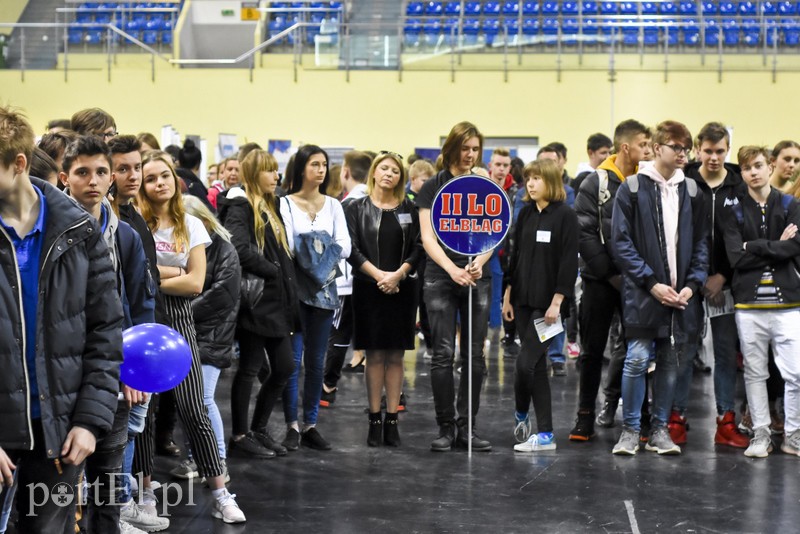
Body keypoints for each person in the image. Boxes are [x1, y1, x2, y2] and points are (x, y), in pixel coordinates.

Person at [0, 105, 124, 534]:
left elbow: (106, 335)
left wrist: (90, 421)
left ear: (18, 164)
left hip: (60, 432)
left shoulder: (80, 234)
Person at [137, 150, 245, 523]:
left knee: (195, 409)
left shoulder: (192, 225)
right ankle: (145, 493)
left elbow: (196, 282)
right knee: (144, 414)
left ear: (175, 180)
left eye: (164, 175)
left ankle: (220, 492)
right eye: (151, 178)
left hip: (181, 324)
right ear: (142, 185)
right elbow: (138, 280)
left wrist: (155, 274)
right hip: (144, 324)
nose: (159, 183)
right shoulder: (136, 223)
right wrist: (172, 273)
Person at [60, 135, 160, 534]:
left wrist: (135, 371)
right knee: (62, 483)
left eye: (102, 172)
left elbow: (141, 307)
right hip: (65, 373)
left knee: (108, 478)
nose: (94, 181)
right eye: (83, 172)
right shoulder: (51, 232)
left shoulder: (126, 237)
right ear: (65, 177)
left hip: (113, 373)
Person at [610, 120, 708, 456]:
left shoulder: (692, 191)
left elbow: (700, 245)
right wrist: (652, 283)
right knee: (636, 359)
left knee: (670, 361)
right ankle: (630, 430)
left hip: (680, 296)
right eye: (676, 147)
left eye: (686, 148)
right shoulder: (633, 188)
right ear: (657, 148)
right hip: (642, 293)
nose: (683, 154)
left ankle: (660, 430)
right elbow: (621, 244)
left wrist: (693, 285)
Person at [569, 119, 651, 441]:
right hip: (600, 282)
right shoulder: (595, 183)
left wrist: (640, 277)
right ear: (627, 147)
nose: (649, 150)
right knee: (592, 350)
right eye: (644, 145)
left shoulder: (649, 181)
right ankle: (585, 415)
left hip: (640, 282)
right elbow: (585, 234)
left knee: (640, 351)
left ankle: (640, 418)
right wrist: (612, 275)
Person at [669, 122, 749, 448]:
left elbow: (746, 237)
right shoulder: (683, 181)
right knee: (684, 351)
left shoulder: (738, 184)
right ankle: (675, 417)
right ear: (698, 150)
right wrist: (694, 278)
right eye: (708, 151)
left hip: (725, 285)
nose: (714, 157)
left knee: (726, 354)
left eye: (720, 151)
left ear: (727, 150)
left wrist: (724, 276)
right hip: (689, 283)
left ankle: (725, 420)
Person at [416, 121, 493, 452]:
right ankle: (446, 426)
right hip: (440, 275)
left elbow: (495, 229)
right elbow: (427, 236)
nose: (471, 155)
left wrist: (480, 262)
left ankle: (468, 427)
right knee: (443, 354)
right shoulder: (432, 186)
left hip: (476, 274)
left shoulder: (484, 182)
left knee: (475, 355)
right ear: (452, 148)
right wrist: (452, 269)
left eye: (475, 149)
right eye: (465, 148)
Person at [721, 145, 800, 458]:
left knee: (795, 374)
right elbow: (735, 260)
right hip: (749, 307)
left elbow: (795, 247)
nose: (752, 173)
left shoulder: (791, 204)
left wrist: (753, 245)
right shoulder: (733, 210)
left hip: (789, 305)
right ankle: (761, 435)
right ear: (741, 173)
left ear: (769, 167)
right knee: (754, 373)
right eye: (746, 168)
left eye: (757, 166)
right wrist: (775, 246)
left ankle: (793, 435)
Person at [219, 149, 299, 458]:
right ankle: (241, 435)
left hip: (275, 302)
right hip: (256, 302)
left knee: (283, 368)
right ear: (254, 175)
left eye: (276, 170)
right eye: (269, 171)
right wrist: (272, 270)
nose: (276, 176)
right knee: (250, 369)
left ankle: (259, 428)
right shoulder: (240, 204)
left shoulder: (270, 203)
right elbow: (236, 246)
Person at [345, 151, 421, 446]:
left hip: (402, 288)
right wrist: (380, 276)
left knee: (396, 355)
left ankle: (392, 421)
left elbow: (418, 247)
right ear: (374, 173)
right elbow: (351, 249)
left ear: (401, 178)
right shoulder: (355, 208)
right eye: (384, 168)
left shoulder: (409, 208)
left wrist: (398, 274)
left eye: (396, 171)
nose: (389, 174)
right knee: (374, 355)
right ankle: (374, 420)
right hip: (368, 287)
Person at [503, 159, 578, 452]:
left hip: (548, 306)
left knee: (525, 362)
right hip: (521, 300)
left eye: (537, 178)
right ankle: (545, 434)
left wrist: (558, 301)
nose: (531, 184)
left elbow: (569, 261)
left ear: (551, 181)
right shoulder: (524, 215)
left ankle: (522, 413)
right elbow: (515, 256)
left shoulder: (566, 216)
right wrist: (508, 295)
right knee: (534, 367)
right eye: (528, 179)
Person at [279, 145, 351, 451]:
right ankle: (292, 425)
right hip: (294, 291)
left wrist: (313, 249)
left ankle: (311, 424)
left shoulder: (334, 205)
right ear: (300, 168)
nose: (321, 170)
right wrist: (324, 247)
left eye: (324, 165)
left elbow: (345, 245)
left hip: (324, 292)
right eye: (314, 164)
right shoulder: (284, 203)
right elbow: (287, 247)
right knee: (292, 362)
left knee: (317, 361)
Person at [172, 196, 240, 481]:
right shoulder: (183, 246)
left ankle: (218, 460)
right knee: (191, 401)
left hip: (212, 336)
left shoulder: (223, 249)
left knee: (202, 399)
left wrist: (180, 311)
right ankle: (195, 459)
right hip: (188, 334)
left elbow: (222, 295)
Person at [321, 150, 372, 407]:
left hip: (348, 282)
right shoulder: (375, 201)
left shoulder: (345, 206)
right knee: (376, 340)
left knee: (338, 335)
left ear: (345, 173)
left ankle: (328, 386)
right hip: (376, 281)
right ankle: (394, 396)